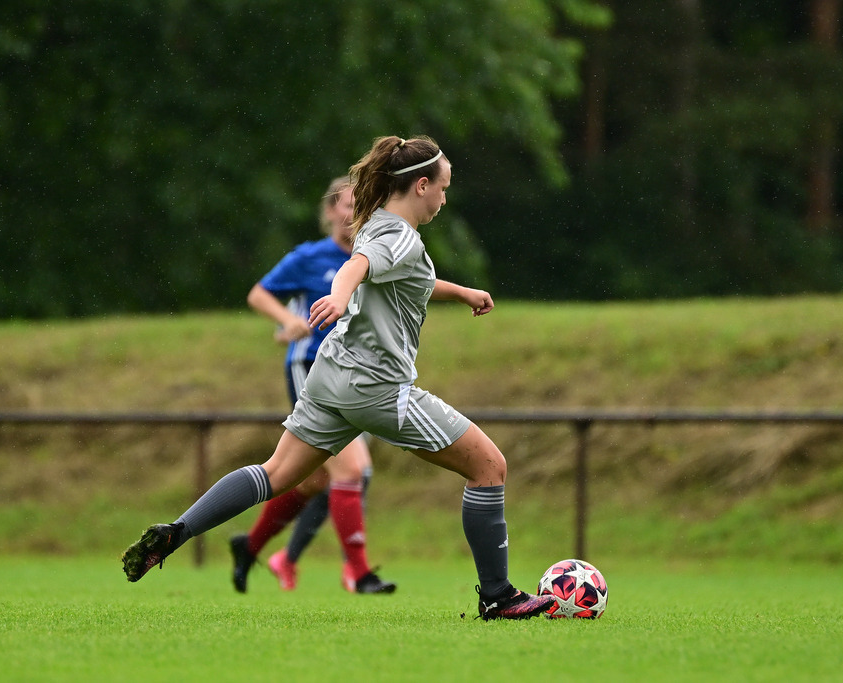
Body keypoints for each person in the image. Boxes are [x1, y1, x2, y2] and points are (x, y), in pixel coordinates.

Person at [121, 135, 556, 620]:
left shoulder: (373, 224)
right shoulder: (398, 236)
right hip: (378, 387)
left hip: (330, 378)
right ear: (421, 184)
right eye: (443, 188)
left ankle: (176, 532)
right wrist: (341, 294)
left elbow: (405, 277)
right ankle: (498, 596)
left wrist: (462, 292)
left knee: (275, 474)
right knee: (489, 467)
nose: (445, 199)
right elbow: (358, 268)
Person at [231, 176, 394, 595]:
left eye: (361, 205)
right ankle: (357, 572)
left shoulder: (373, 256)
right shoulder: (311, 257)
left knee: (314, 480)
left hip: (355, 376)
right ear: (329, 213)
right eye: (344, 205)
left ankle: (252, 547)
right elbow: (259, 294)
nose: (351, 212)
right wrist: (288, 321)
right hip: (311, 368)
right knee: (354, 469)